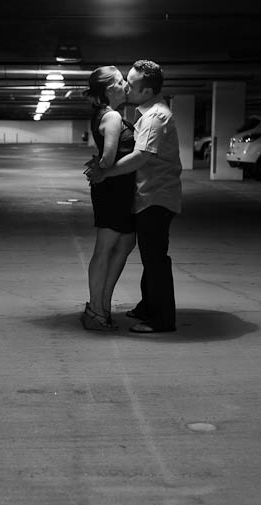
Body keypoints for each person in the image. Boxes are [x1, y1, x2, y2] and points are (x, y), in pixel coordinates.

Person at [85, 60, 182, 334]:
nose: (126, 86)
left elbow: (141, 156)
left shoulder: (154, 117)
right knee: (146, 255)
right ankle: (144, 306)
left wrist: (105, 172)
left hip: (156, 196)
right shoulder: (138, 113)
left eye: (131, 83)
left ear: (147, 92)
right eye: (122, 81)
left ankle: (161, 319)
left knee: (155, 259)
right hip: (142, 195)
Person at [79, 66, 137, 332]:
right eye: (120, 81)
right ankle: (96, 310)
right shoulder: (112, 116)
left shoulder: (108, 114)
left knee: (125, 242)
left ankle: (102, 304)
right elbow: (108, 157)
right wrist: (101, 170)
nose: (125, 83)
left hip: (119, 188)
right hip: (113, 189)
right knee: (105, 248)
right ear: (108, 89)